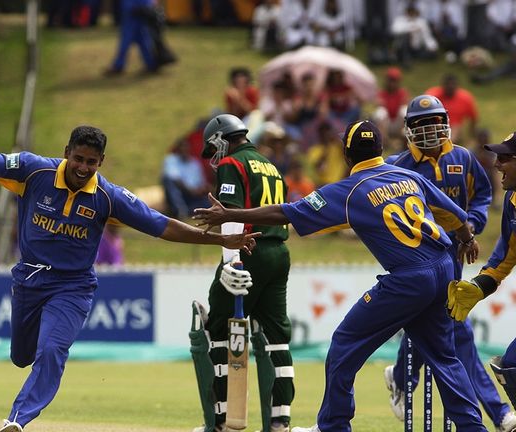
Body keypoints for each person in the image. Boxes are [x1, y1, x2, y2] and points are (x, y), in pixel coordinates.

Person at [0, 111, 260, 432]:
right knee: (22, 356)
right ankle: (23, 390)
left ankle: (17, 419)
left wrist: (218, 240)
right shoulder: (34, 170)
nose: (83, 168)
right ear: (67, 152)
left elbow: (160, 224)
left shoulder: (108, 196)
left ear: (102, 162)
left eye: (92, 162)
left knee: (52, 349)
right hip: (28, 280)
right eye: (79, 159)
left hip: (73, 286)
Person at [194, 119, 490, 432]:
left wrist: (230, 213)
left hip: (409, 278)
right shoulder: (408, 175)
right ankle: (473, 428)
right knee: (444, 357)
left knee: (345, 344)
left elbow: (285, 212)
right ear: (380, 148)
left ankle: (333, 425)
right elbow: (454, 213)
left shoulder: (349, 191)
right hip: (443, 267)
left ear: (346, 155)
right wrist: (467, 238)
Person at [383, 95, 516, 431]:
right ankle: (499, 413)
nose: (430, 130)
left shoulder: (463, 158)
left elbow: (482, 195)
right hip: (417, 259)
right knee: (453, 330)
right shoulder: (398, 166)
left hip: (453, 256)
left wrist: (472, 225)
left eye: (435, 121)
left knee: (439, 326)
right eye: (422, 124)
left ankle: (401, 377)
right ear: (409, 129)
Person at [191, 113, 293, 432]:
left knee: (217, 330)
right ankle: (280, 420)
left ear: (220, 139)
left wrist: (230, 261)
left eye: (213, 149)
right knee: (276, 337)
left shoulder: (231, 164)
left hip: (247, 250)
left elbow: (230, 214)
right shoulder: (271, 166)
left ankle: (221, 420)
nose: (213, 158)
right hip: (279, 253)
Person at [448, 131, 516, 430]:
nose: (497, 164)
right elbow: (506, 255)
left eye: (505, 158)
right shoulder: (513, 199)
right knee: (510, 365)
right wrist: (478, 287)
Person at [104, 0, 158, 76]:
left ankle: (118, 65)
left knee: (126, 40)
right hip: (141, 11)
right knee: (143, 40)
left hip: (134, 12)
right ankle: (150, 64)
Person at [162, 137, 211, 219]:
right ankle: (180, 211)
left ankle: (189, 211)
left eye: (186, 147)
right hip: (181, 193)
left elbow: (201, 182)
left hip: (194, 194)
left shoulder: (194, 163)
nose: (184, 150)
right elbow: (174, 179)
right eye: (182, 148)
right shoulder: (171, 159)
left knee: (207, 199)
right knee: (168, 180)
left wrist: (202, 189)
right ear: (178, 150)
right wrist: (190, 190)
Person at [425, 74, 478, 143]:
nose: (450, 87)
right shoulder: (432, 97)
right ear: (443, 85)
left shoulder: (465, 99)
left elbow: (473, 119)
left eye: (453, 85)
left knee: (454, 130)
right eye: (448, 85)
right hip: (435, 124)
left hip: (455, 127)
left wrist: (471, 135)